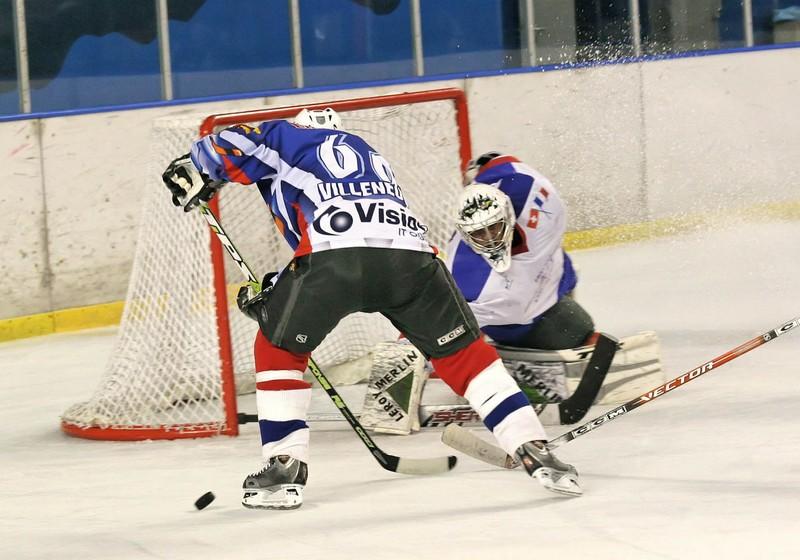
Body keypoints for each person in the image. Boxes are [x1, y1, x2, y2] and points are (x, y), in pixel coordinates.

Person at [161, 110, 581, 510]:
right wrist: (280, 293)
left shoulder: (291, 137)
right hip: (413, 259)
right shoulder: (368, 155)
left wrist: (197, 166)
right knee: (469, 361)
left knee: (278, 350)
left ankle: (284, 467)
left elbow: (234, 142)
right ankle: (534, 448)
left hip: (335, 259)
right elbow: (356, 232)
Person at [445, 152, 595, 354]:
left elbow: (498, 163)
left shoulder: (530, 192)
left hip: (553, 276)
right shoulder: (463, 273)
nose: (490, 239)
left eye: (495, 227)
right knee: (575, 330)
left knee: (577, 331)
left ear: (508, 214)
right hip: (523, 319)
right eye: (479, 232)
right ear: (465, 234)